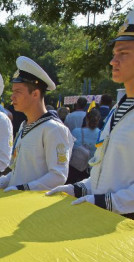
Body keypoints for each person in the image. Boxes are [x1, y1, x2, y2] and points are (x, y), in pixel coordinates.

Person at [46, 9, 134, 218]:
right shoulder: (118, 108)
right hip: (103, 218)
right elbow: (108, 172)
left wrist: (108, 202)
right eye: (114, 54)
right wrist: (79, 188)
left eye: (123, 53)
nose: (113, 61)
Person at [0, 56, 72, 192]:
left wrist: (23, 189)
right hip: (17, 202)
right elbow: (18, 171)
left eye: (18, 92)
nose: (12, 97)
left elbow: (58, 176)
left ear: (35, 94)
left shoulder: (53, 129)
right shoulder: (24, 125)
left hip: (32, 206)